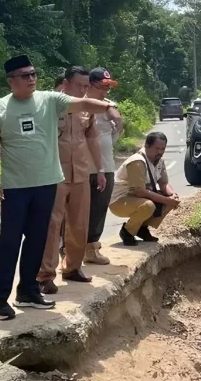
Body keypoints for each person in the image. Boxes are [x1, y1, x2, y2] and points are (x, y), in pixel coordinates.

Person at [0, 55, 115, 321]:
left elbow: (83, 103)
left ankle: (28, 291)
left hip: (47, 184)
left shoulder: (50, 100)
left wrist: (106, 104)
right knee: (8, 242)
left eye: (33, 74)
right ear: (11, 81)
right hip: (15, 187)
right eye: (25, 75)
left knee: (38, 240)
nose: (31, 79)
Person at [38, 66, 105, 293]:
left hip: (81, 173)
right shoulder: (50, 106)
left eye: (87, 86)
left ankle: (73, 267)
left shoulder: (87, 109)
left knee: (79, 222)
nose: (83, 91)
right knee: (51, 224)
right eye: (79, 86)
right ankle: (45, 274)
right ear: (65, 84)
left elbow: (92, 138)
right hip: (54, 173)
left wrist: (101, 169)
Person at [84, 67, 124, 266]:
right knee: (76, 211)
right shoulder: (78, 104)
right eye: (103, 87)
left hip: (105, 166)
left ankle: (92, 249)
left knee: (99, 209)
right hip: (81, 166)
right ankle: (68, 250)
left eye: (108, 87)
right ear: (90, 84)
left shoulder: (109, 106)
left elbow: (117, 127)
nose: (106, 91)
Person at [111, 131, 180, 245]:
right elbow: (139, 191)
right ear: (147, 146)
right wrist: (166, 199)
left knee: (170, 202)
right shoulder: (137, 161)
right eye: (157, 148)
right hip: (119, 201)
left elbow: (163, 183)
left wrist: (172, 195)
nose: (160, 152)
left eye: (162, 149)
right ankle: (127, 231)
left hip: (136, 198)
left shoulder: (159, 161)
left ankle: (141, 228)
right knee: (148, 205)